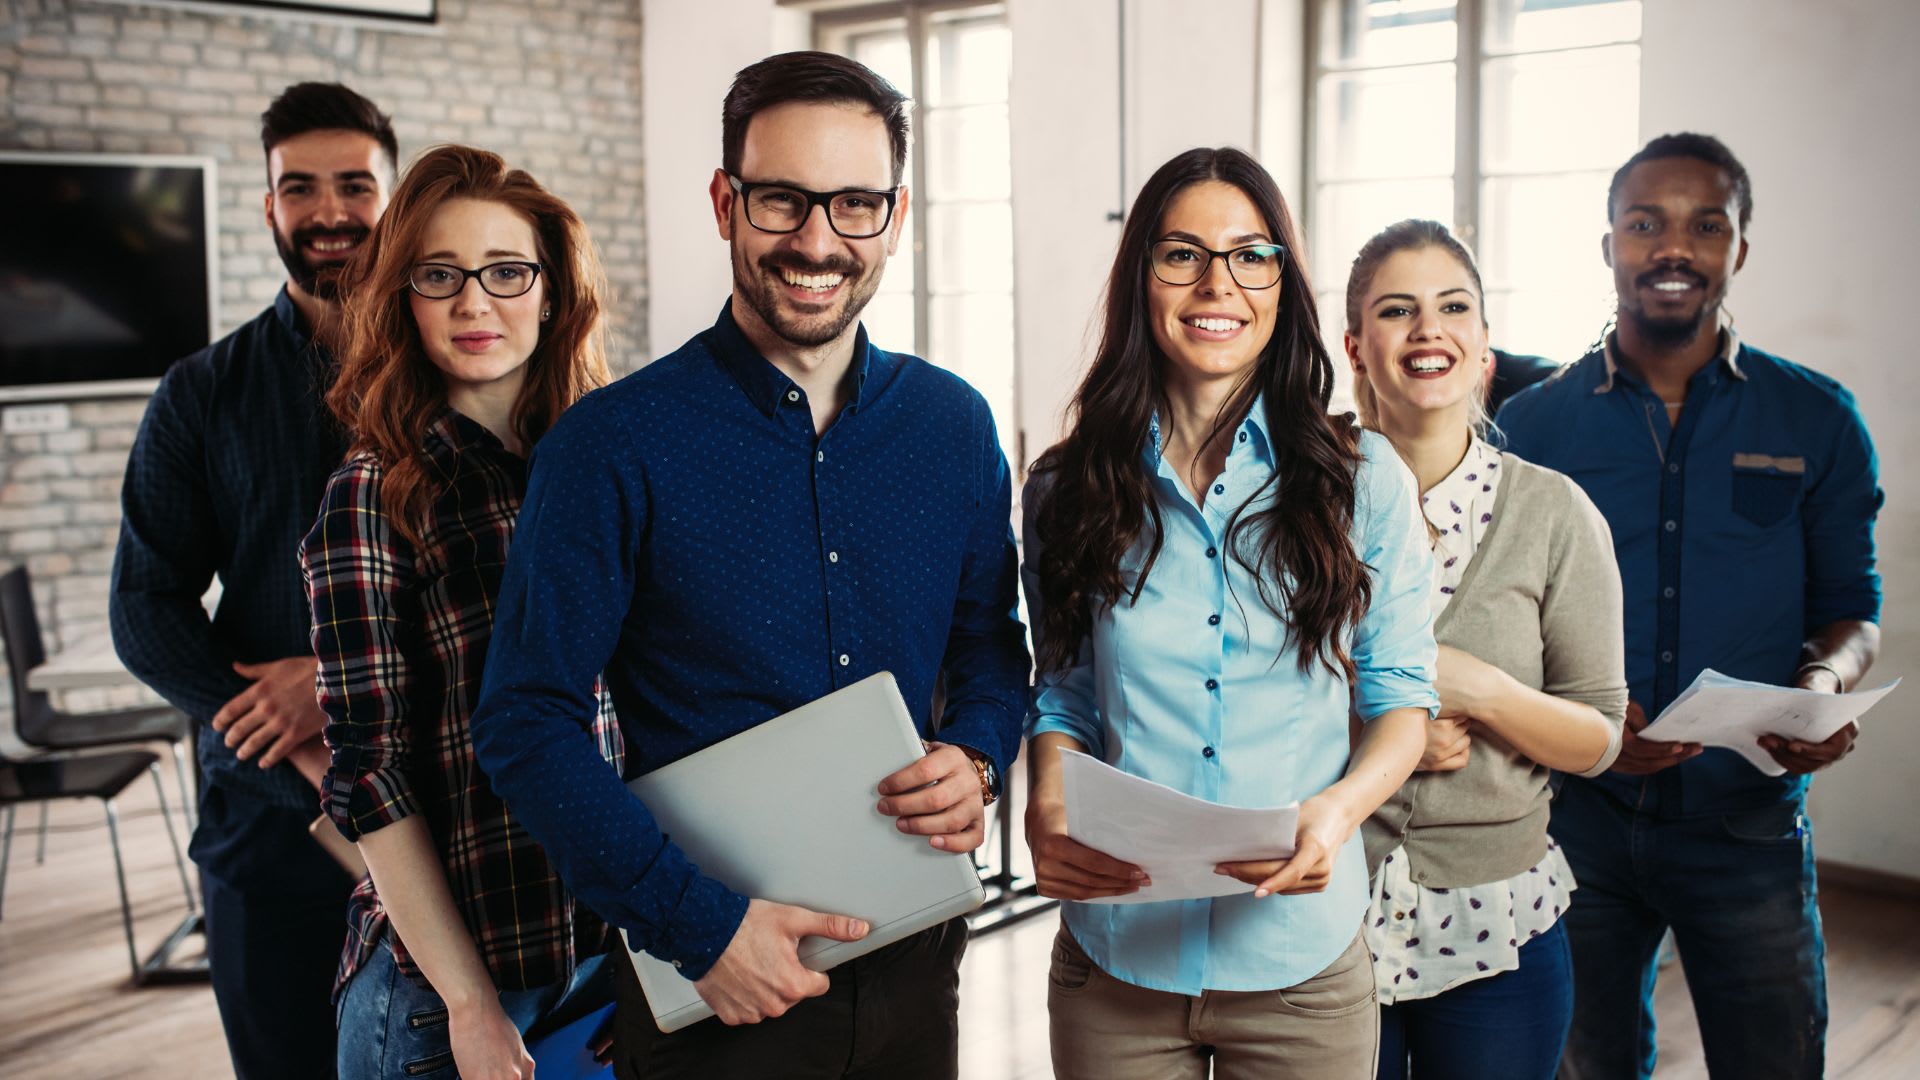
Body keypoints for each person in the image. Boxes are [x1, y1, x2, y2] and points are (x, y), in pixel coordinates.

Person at [465, 51, 1030, 1079]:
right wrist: (701, 927)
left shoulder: (955, 425)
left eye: (855, 204)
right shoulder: (609, 446)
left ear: (896, 218)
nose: (818, 241)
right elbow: (523, 719)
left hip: (916, 971)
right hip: (714, 985)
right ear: (727, 202)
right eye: (782, 200)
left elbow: (991, 643)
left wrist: (982, 757)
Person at [1021, 147, 1436, 1080]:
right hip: (1115, 959)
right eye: (1183, 255)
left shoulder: (1363, 482)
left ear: (1285, 284)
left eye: (1252, 255)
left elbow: (1404, 701)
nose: (1219, 283)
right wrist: (1048, 796)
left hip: (1301, 966)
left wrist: (1336, 814)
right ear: (1143, 277)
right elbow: (1067, 692)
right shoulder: (1066, 485)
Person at [1496, 133, 1883, 1080]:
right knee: (1585, 1063)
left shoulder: (1816, 419)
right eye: (1645, 224)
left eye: (1705, 225)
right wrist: (1579, 724)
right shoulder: (1534, 426)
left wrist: (1822, 683)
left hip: (1746, 823)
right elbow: (1493, 618)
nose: (1674, 248)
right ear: (1610, 247)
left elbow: (1852, 604)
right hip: (1574, 820)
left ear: (1739, 248)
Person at [302, 145, 619, 1080]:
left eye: (506, 271)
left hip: (610, 960)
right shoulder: (372, 494)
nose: (475, 304)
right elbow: (372, 777)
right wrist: (470, 1004)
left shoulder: (606, 466)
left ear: (554, 291)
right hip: (449, 999)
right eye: (441, 276)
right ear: (404, 295)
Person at [110, 82, 397, 1080]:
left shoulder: (465, 371)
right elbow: (144, 606)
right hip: (270, 830)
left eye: (355, 185)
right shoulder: (201, 392)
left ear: (394, 200)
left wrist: (336, 685)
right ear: (268, 208)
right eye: (299, 188)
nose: (329, 212)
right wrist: (271, 716)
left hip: (454, 811)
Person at [1343, 219, 1627, 1080]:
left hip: (1497, 930)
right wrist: (1381, 733)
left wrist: (1486, 692)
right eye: (1398, 310)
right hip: (1322, 914)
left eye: (1452, 307)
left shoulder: (1555, 513)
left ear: (1484, 348)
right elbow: (1231, 686)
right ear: (1356, 347)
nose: (1429, 329)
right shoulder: (1291, 496)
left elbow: (1600, 738)